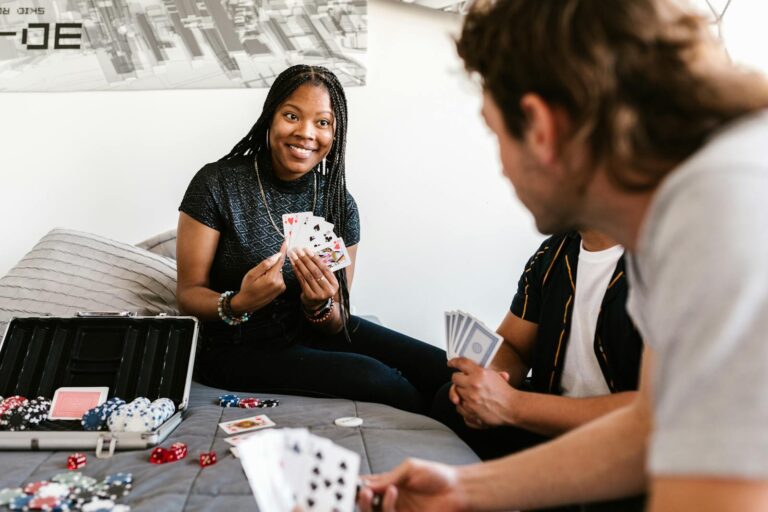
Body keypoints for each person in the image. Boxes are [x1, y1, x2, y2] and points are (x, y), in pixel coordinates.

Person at [359, 0, 768, 510]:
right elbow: (648, 430)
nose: (503, 169)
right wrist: (464, 490)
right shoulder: (666, 213)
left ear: (540, 127)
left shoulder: (724, 213)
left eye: (495, 134)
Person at [176, 65, 451, 414]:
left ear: (336, 133)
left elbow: (337, 319)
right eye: (292, 116)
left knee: (446, 369)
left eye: (322, 122)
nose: (306, 133)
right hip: (234, 349)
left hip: (310, 333)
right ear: (270, 118)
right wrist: (239, 303)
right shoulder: (216, 184)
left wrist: (318, 306)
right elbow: (187, 294)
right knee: (381, 380)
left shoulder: (339, 203)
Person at [430, 230, 643, 464]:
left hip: (619, 452)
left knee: (441, 400)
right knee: (449, 397)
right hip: (544, 423)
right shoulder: (553, 252)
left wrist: (511, 405)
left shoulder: (666, 267)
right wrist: (488, 378)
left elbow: (652, 413)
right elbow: (515, 348)